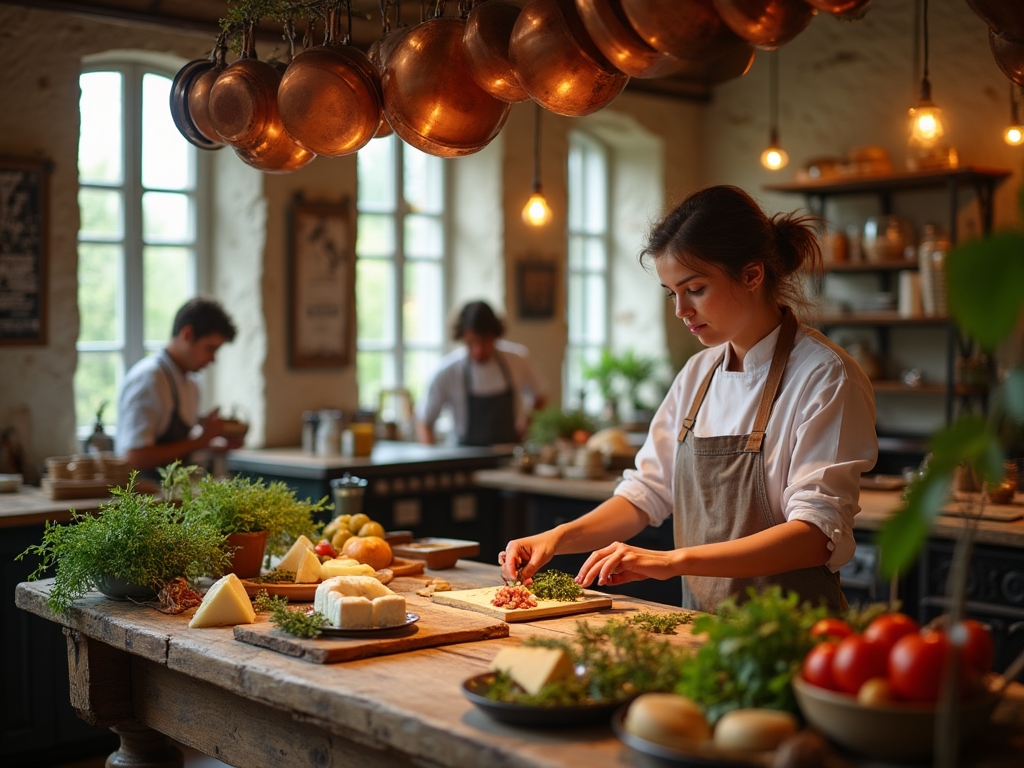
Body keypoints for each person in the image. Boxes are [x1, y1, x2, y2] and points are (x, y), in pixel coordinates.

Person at [500, 186, 877, 613]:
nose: (681, 309)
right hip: (702, 630)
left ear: (752, 275)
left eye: (695, 288)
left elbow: (813, 535)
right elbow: (646, 493)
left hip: (792, 639)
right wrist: (558, 538)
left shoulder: (825, 375)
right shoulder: (699, 374)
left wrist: (672, 561)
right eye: (671, 292)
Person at [117, 297, 243, 475]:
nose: (213, 359)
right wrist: (201, 440)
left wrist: (215, 444)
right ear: (187, 334)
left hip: (174, 494)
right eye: (210, 348)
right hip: (145, 499)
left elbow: (183, 448)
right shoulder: (150, 378)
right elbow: (134, 457)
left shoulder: (191, 382)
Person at [417, 301, 548, 446]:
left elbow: (540, 397)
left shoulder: (517, 360)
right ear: (462, 337)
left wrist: (524, 426)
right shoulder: (447, 371)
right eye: (471, 342)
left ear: (495, 335)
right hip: (463, 459)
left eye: (485, 341)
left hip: (507, 455)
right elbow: (424, 422)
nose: (478, 350)